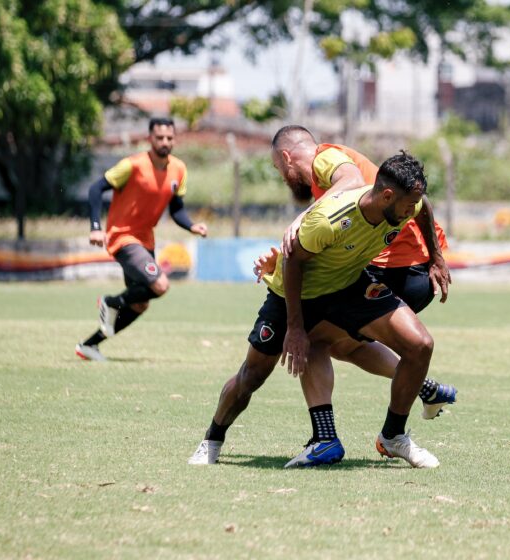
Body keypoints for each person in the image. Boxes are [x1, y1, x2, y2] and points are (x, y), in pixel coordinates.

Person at [190, 152, 444, 468]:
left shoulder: (409, 204)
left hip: (348, 285)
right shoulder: (330, 219)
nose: (412, 210)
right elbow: (293, 260)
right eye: (408, 204)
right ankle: (212, 439)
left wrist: (437, 258)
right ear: (387, 195)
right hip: (295, 293)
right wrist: (295, 328)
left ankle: (392, 436)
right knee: (252, 375)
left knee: (420, 345)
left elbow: (424, 209)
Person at [260, 125, 455, 467]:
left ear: (287, 158)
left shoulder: (324, 159)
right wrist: (436, 256)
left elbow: (350, 181)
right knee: (341, 343)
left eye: (280, 169)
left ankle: (331, 439)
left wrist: (301, 219)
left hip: (391, 267)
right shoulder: (345, 186)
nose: (284, 177)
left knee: (316, 337)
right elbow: (419, 202)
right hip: (412, 268)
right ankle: (414, 399)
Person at [75, 117, 208, 361]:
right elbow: (95, 189)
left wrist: (191, 226)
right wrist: (95, 227)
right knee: (160, 285)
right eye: (159, 138)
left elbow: (176, 208)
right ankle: (110, 302)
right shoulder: (132, 165)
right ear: (150, 139)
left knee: (140, 303)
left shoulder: (179, 169)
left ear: (174, 139)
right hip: (123, 237)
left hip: (146, 241)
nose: (165, 142)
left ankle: (89, 345)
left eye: (169, 138)